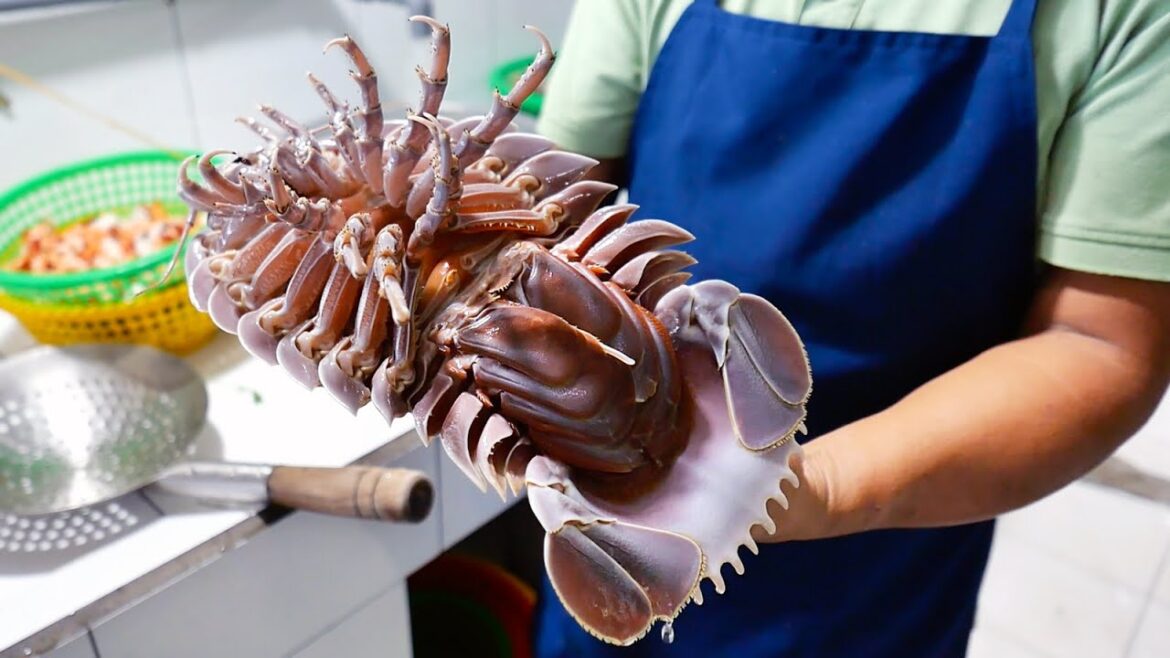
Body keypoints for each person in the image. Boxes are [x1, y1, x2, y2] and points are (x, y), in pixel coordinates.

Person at [529, 0, 1170, 656]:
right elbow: (551, 210)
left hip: (886, 550)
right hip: (611, 523)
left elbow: (1098, 342)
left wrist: (808, 488)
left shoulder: (1117, 15)